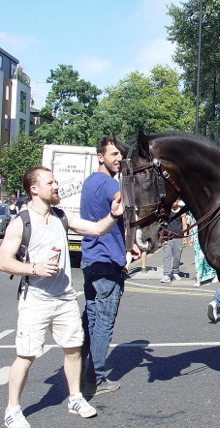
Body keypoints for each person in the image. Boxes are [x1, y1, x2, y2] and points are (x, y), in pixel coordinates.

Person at [0, 166, 124, 427]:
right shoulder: (21, 222)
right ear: (34, 189)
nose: (56, 186)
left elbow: (96, 229)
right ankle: (12, 410)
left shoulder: (61, 216)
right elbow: (4, 261)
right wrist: (34, 269)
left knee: (73, 349)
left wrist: (113, 215)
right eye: (50, 183)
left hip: (65, 298)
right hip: (36, 299)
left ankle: (75, 398)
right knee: (26, 355)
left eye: (55, 181)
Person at [80, 137, 126, 398]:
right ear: (100, 156)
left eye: (120, 154)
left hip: (90, 259)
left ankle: (82, 372)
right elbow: (123, 202)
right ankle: (95, 379)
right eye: (113, 154)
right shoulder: (110, 184)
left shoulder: (89, 182)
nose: (118, 159)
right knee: (103, 324)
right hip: (108, 261)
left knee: (91, 320)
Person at [160, 198, 187, 283]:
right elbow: (162, 224)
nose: (173, 203)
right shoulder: (167, 211)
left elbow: (184, 225)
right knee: (166, 256)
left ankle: (175, 271)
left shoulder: (182, 212)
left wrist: (185, 237)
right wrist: (162, 238)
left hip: (178, 237)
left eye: (175, 201)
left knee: (177, 257)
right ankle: (167, 274)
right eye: (172, 201)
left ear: (178, 201)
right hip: (167, 237)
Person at [186, 211, 216, 287]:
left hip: (205, 233)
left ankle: (212, 274)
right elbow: (191, 222)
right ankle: (198, 279)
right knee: (199, 257)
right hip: (196, 235)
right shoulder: (192, 211)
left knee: (206, 256)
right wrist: (191, 237)